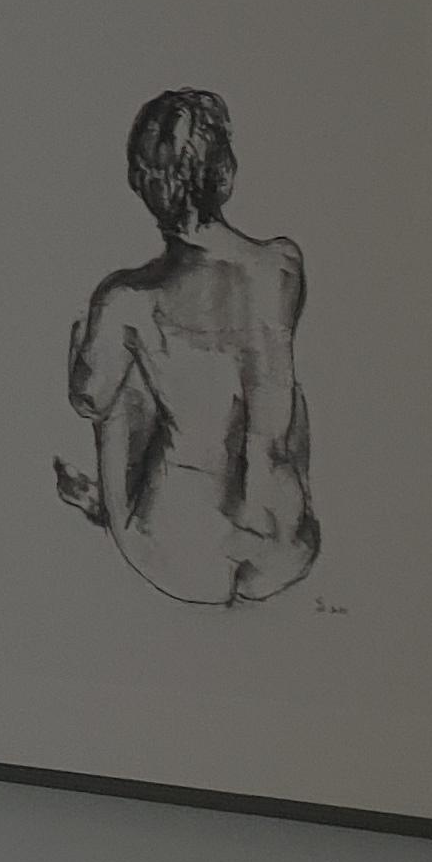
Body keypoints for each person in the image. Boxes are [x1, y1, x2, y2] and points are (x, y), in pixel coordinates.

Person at [55, 88, 317, 607]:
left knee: (120, 380)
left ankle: (113, 511)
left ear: (142, 185)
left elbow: (88, 398)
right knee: (260, 366)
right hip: (286, 542)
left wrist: (79, 341)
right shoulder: (283, 264)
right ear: (225, 173)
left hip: (185, 550)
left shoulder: (127, 299)